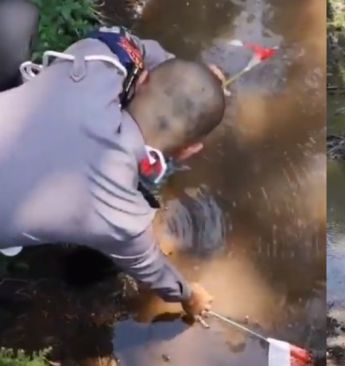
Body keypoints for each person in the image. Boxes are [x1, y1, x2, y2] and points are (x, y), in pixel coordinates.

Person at [0, 3, 226, 318]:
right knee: (107, 258)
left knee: (13, 18)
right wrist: (189, 296)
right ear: (190, 150)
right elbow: (152, 270)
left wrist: (183, 75)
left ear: (143, 78)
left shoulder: (98, 63)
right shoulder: (123, 218)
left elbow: (131, 46)